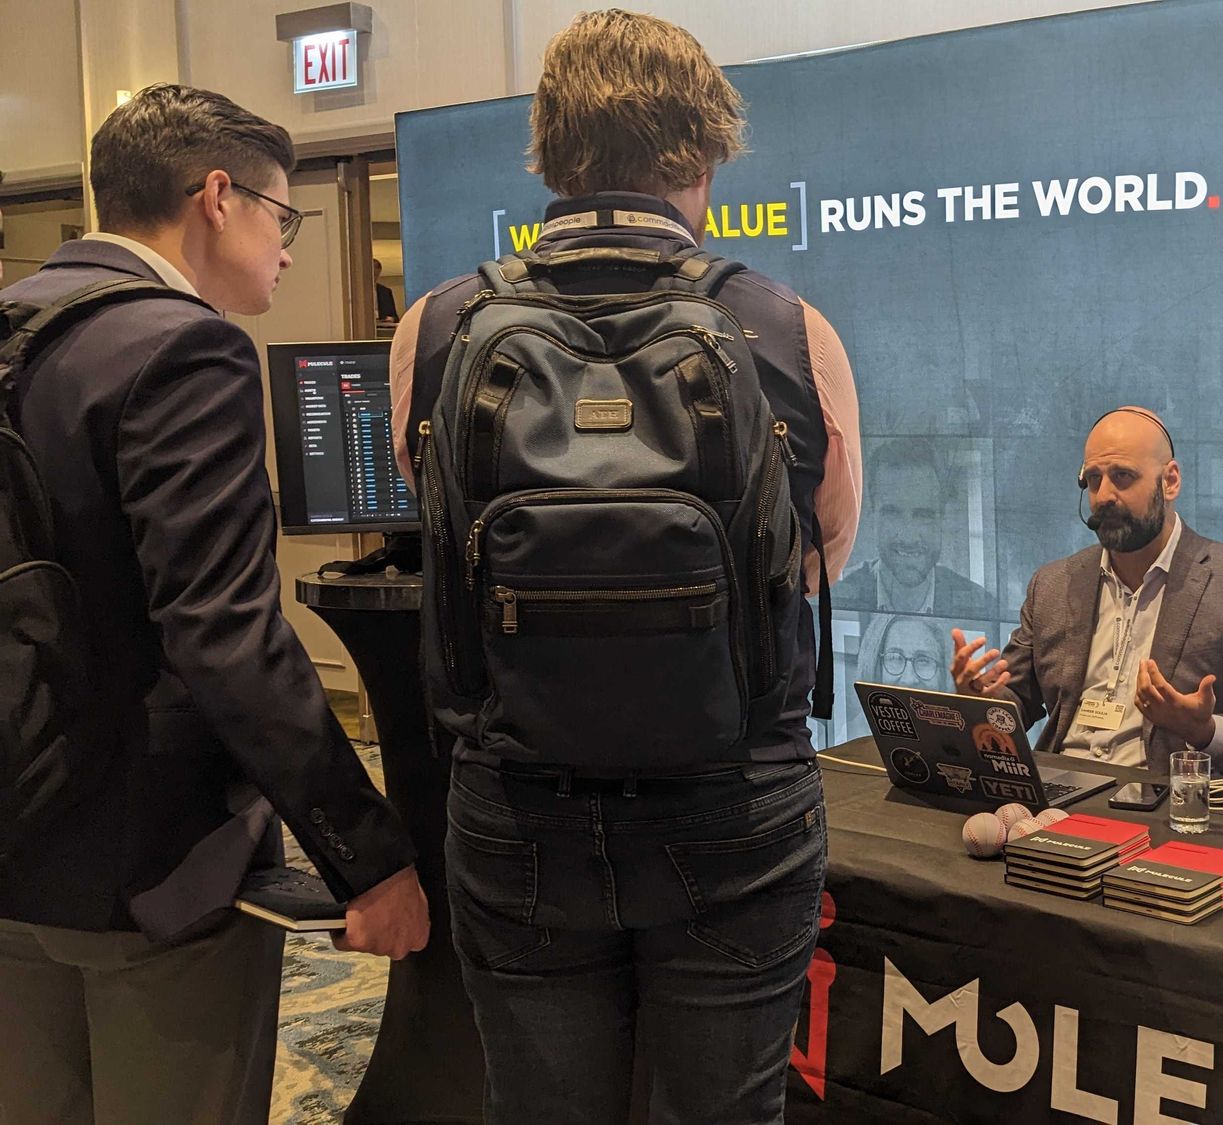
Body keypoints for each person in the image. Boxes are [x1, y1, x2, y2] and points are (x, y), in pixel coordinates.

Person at [389, 12, 862, 1123]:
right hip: (733, 805)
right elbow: (818, 555)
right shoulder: (788, 331)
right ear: (699, 157)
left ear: (549, 154)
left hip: (515, 806)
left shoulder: (441, 327)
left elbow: (439, 528)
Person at [0, 83, 428, 1125]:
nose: (287, 249)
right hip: (152, 864)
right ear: (218, 196)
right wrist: (367, 858)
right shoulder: (182, 348)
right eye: (284, 218)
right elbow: (225, 634)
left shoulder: (18, 327)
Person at [951, 407, 1223, 787]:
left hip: (1171, 803)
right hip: (1059, 794)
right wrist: (978, 702)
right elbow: (1014, 702)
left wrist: (1206, 729)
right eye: (1093, 480)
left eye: (1122, 477)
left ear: (1170, 481)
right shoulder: (1053, 585)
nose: (1103, 496)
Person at [847, 436, 996, 618]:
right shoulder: (837, 598)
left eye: (924, 515)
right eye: (893, 513)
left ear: (943, 518)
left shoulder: (981, 608)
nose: (908, 537)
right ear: (872, 516)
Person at [373, 257, 399, 324]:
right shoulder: (358, 292)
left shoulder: (386, 292)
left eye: (376, 275)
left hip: (383, 326)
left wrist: (392, 319)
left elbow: (395, 316)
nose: (374, 277)